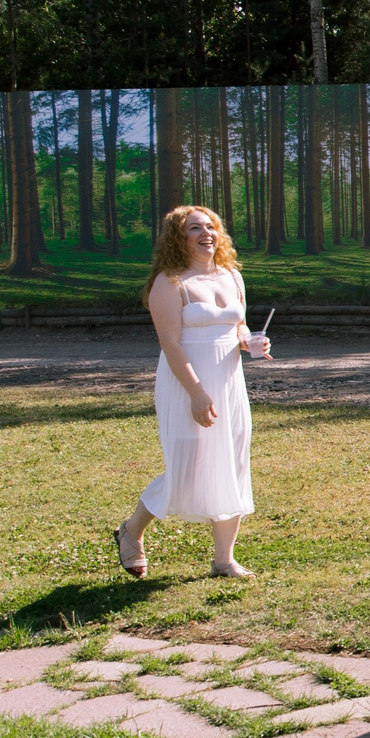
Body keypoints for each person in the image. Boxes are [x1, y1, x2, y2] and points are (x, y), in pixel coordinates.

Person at [116, 206, 270, 580]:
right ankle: (131, 530)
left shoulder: (232, 276)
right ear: (178, 238)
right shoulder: (169, 282)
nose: (207, 234)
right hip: (186, 382)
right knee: (187, 466)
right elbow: (171, 345)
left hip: (229, 380)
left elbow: (238, 327)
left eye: (211, 226)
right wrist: (197, 394)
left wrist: (252, 343)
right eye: (194, 228)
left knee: (233, 460)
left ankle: (224, 560)